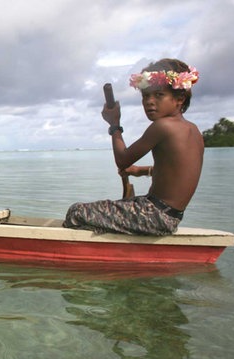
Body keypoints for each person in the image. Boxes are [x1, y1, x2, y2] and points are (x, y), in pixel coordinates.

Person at [63, 58, 202, 235]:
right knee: (103, 211)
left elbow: (122, 160)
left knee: (76, 212)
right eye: (145, 96)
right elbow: (177, 170)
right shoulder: (194, 131)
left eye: (159, 95)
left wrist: (114, 125)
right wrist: (140, 170)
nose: (149, 102)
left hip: (155, 216)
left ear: (179, 99)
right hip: (170, 216)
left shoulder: (163, 126)